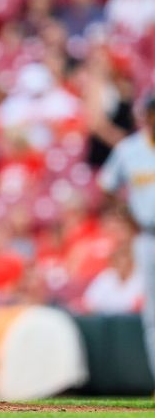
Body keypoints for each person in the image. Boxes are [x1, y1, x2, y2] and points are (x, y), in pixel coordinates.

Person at [98, 96, 155, 378]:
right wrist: (129, 215)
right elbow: (107, 185)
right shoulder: (130, 149)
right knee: (153, 314)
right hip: (148, 235)